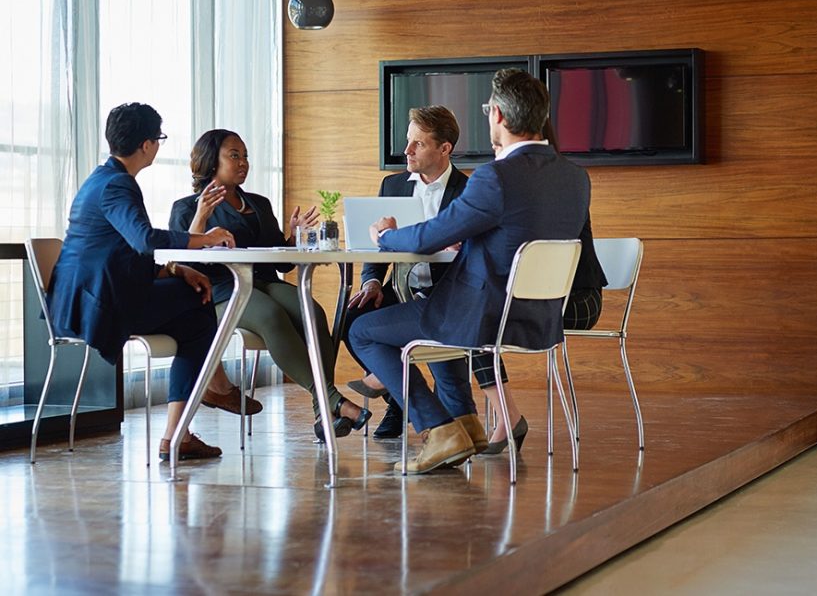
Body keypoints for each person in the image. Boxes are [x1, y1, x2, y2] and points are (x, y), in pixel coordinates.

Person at [349, 68, 592, 474]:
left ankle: (439, 428)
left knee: (363, 332)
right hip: (541, 316)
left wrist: (386, 236)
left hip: (483, 316)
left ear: (497, 115)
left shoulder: (494, 177)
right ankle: (466, 426)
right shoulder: (575, 177)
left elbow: (429, 236)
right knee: (430, 318)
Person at [47, 103, 261, 463]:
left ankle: (183, 430)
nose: (158, 145)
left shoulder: (103, 178)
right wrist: (205, 239)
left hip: (88, 296)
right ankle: (188, 422)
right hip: (96, 305)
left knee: (195, 310)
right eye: (158, 138)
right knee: (200, 306)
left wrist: (176, 270)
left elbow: (122, 253)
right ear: (147, 144)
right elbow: (145, 240)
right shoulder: (117, 185)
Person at [169, 129, 372, 442]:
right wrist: (201, 218)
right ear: (211, 161)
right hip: (223, 291)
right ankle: (332, 401)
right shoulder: (186, 207)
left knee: (312, 312)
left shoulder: (259, 204)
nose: (243, 162)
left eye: (245, 156)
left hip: (264, 282)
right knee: (271, 316)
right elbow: (188, 264)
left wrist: (293, 239)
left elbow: (282, 263)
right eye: (234, 155)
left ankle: (324, 410)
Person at [477, 121, 607, 454]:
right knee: (476, 317)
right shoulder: (565, 179)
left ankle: (506, 418)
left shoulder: (533, 189)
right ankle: (503, 418)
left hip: (574, 300)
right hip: (573, 297)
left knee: (474, 321)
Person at [341, 106, 468, 439]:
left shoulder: (468, 191)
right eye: (408, 141)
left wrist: (462, 247)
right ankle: (399, 397)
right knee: (352, 319)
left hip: (445, 294)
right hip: (400, 290)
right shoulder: (392, 185)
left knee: (450, 375)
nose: (406, 150)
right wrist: (371, 281)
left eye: (418, 144)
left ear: (444, 148)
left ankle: (417, 406)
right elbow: (378, 247)